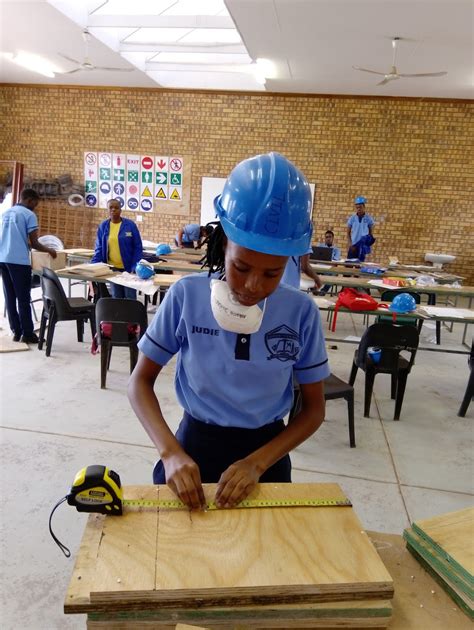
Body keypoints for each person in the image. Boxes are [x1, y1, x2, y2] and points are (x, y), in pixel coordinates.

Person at [128, 152, 329, 510]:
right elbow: (139, 383)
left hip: (267, 453)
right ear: (223, 244)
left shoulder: (300, 312)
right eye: (241, 266)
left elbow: (313, 410)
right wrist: (170, 452)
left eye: (272, 273)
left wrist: (258, 462)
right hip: (193, 444)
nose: (253, 286)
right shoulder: (187, 297)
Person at [0, 188, 57, 343]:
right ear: (30, 200)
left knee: (10, 297)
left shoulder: (7, 213)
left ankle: (16, 332)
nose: (35, 207)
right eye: (35, 203)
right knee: (23, 298)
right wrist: (50, 250)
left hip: (3, 259)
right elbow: (35, 243)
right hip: (19, 261)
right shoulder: (29, 215)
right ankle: (28, 333)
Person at [91, 198, 143, 299]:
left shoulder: (130, 225)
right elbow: (99, 248)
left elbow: (138, 247)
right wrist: (93, 267)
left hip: (129, 269)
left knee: (130, 298)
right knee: (116, 297)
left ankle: (130, 315)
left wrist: (134, 266)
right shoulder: (103, 226)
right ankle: (119, 315)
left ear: (120, 210)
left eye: (116, 207)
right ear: (107, 210)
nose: (113, 210)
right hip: (112, 270)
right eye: (111, 207)